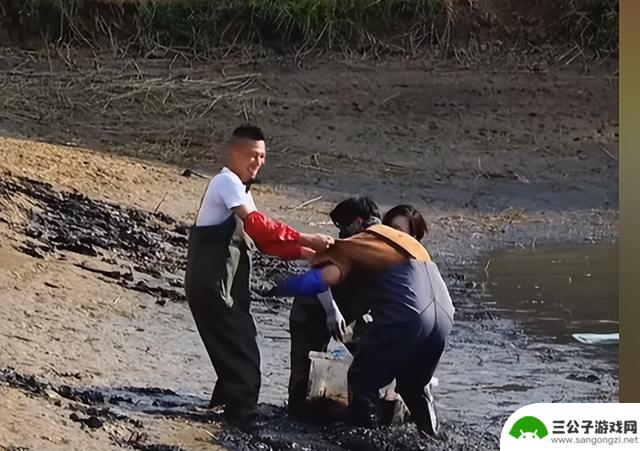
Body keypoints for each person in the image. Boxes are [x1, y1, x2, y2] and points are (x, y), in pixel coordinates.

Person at [184, 125, 333, 431]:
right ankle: (241, 424)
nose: (258, 162)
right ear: (234, 153)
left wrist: (305, 251)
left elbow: (266, 242)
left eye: (262, 156)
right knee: (245, 362)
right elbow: (261, 227)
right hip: (214, 288)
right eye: (252, 155)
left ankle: (221, 415)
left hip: (226, 290)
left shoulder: (240, 189)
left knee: (240, 350)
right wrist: (307, 237)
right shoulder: (227, 182)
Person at [275, 204, 455, 438]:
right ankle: (433, 439)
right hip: (444, 315)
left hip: (408, 314)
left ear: (359, 225)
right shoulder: (412, 246)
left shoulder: (360, 242)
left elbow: (322, 276)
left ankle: (364, 439)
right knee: (414, 385)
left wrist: (279, 287)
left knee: (361, 379)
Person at [287, 196, 382, 416]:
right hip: (311, 310)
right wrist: (331, 311)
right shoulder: (340, 246)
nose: (340, 231)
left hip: (352, 313)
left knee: (369, 360)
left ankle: (362, 414)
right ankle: (298, 413)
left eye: (342, 224)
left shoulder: (377, 244)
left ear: (358, 222)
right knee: (304, 369)